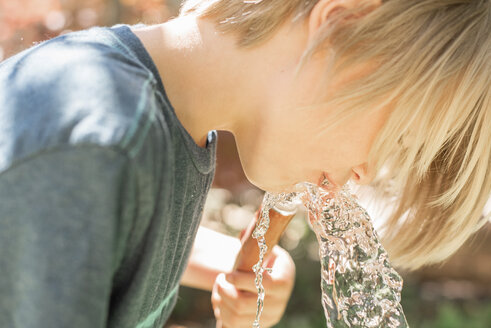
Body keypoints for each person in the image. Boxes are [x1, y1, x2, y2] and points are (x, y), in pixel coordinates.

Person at [0, 0, 489, 327]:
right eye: (393, 138)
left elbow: (84, 234)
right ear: (340, 25)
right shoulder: (96, 140)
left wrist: (226, 264)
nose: (367, 173)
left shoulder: (165, 135)